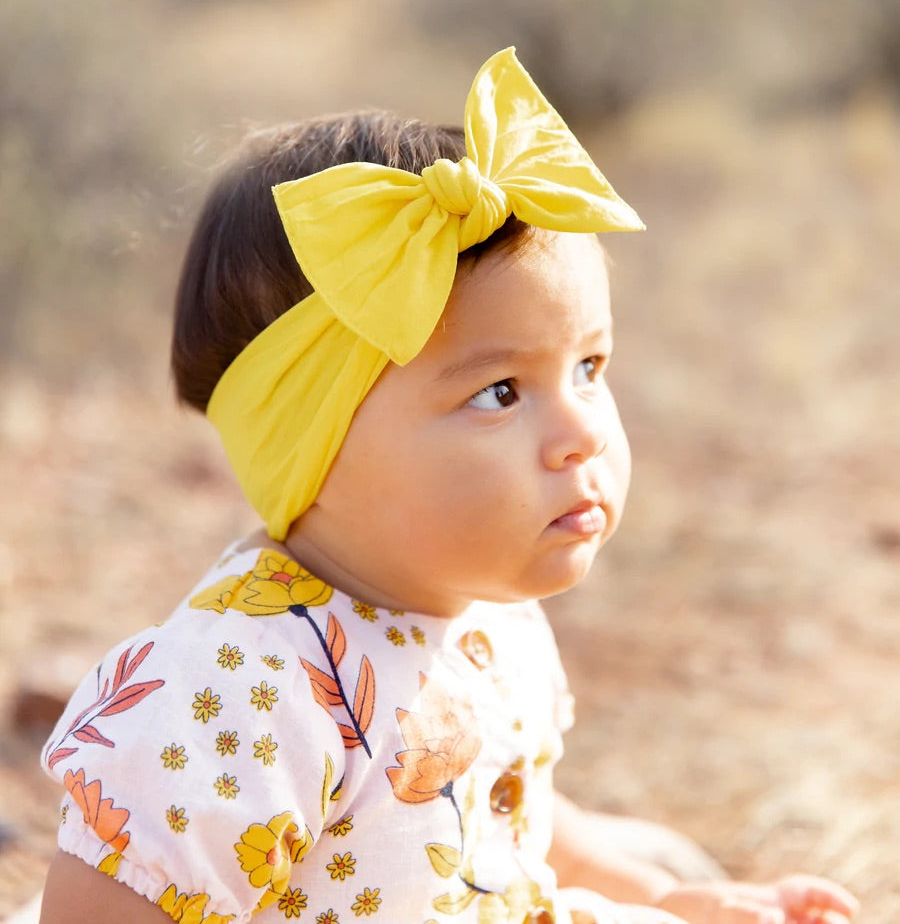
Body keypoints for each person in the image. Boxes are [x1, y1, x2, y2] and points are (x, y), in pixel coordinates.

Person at [39, 49, 858, 924]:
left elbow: (512, 824)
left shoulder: (486, 612)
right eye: (499, 393)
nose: (583, 430)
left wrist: (667, 899)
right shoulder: (234, 695)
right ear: (312, 440)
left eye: (588, 366)